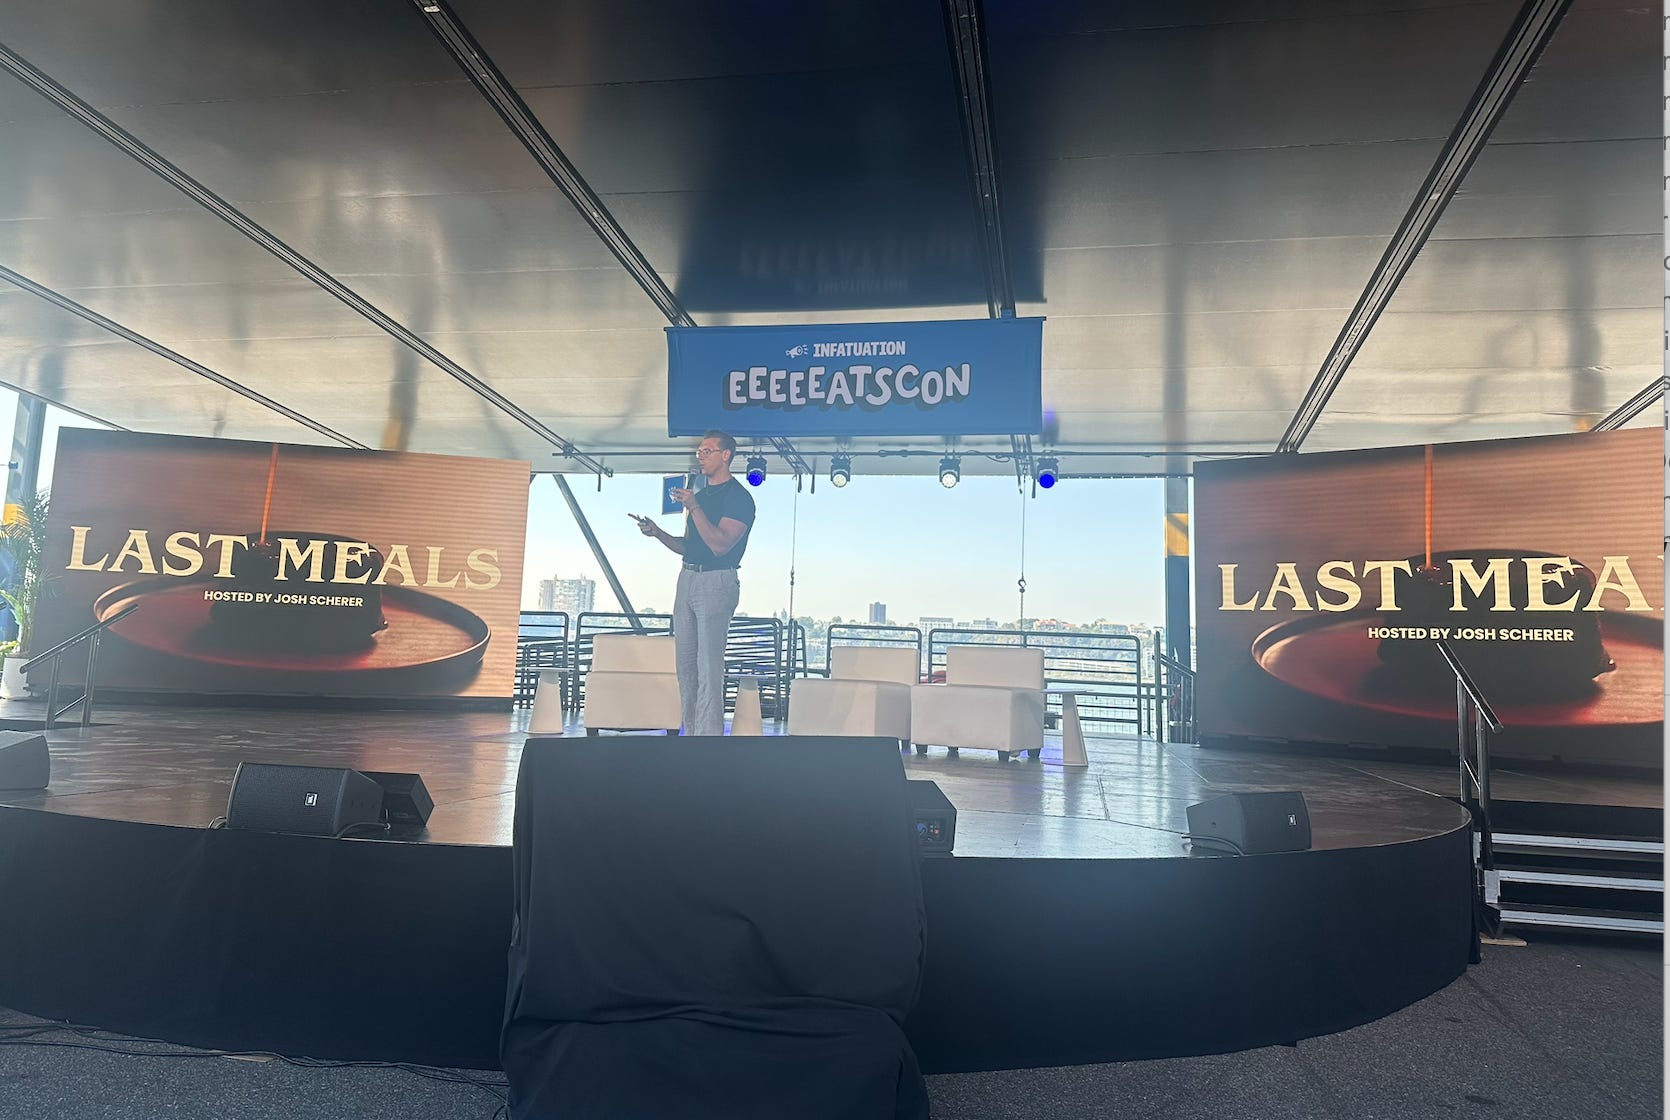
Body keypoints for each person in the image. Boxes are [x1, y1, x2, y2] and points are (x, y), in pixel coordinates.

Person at [632, 431, 756, 736]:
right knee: (686, 666)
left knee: (708, 666)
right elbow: (689, 546)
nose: (701, 456)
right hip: (687, 577)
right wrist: (657, 533)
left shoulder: (739, 498)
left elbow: (719, 545)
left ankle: (708, 741)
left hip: (717, 579)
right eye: (699, 451)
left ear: (726, 455)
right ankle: (691, 734)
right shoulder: (700, 496)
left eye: (707, 451)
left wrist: (694, 507)